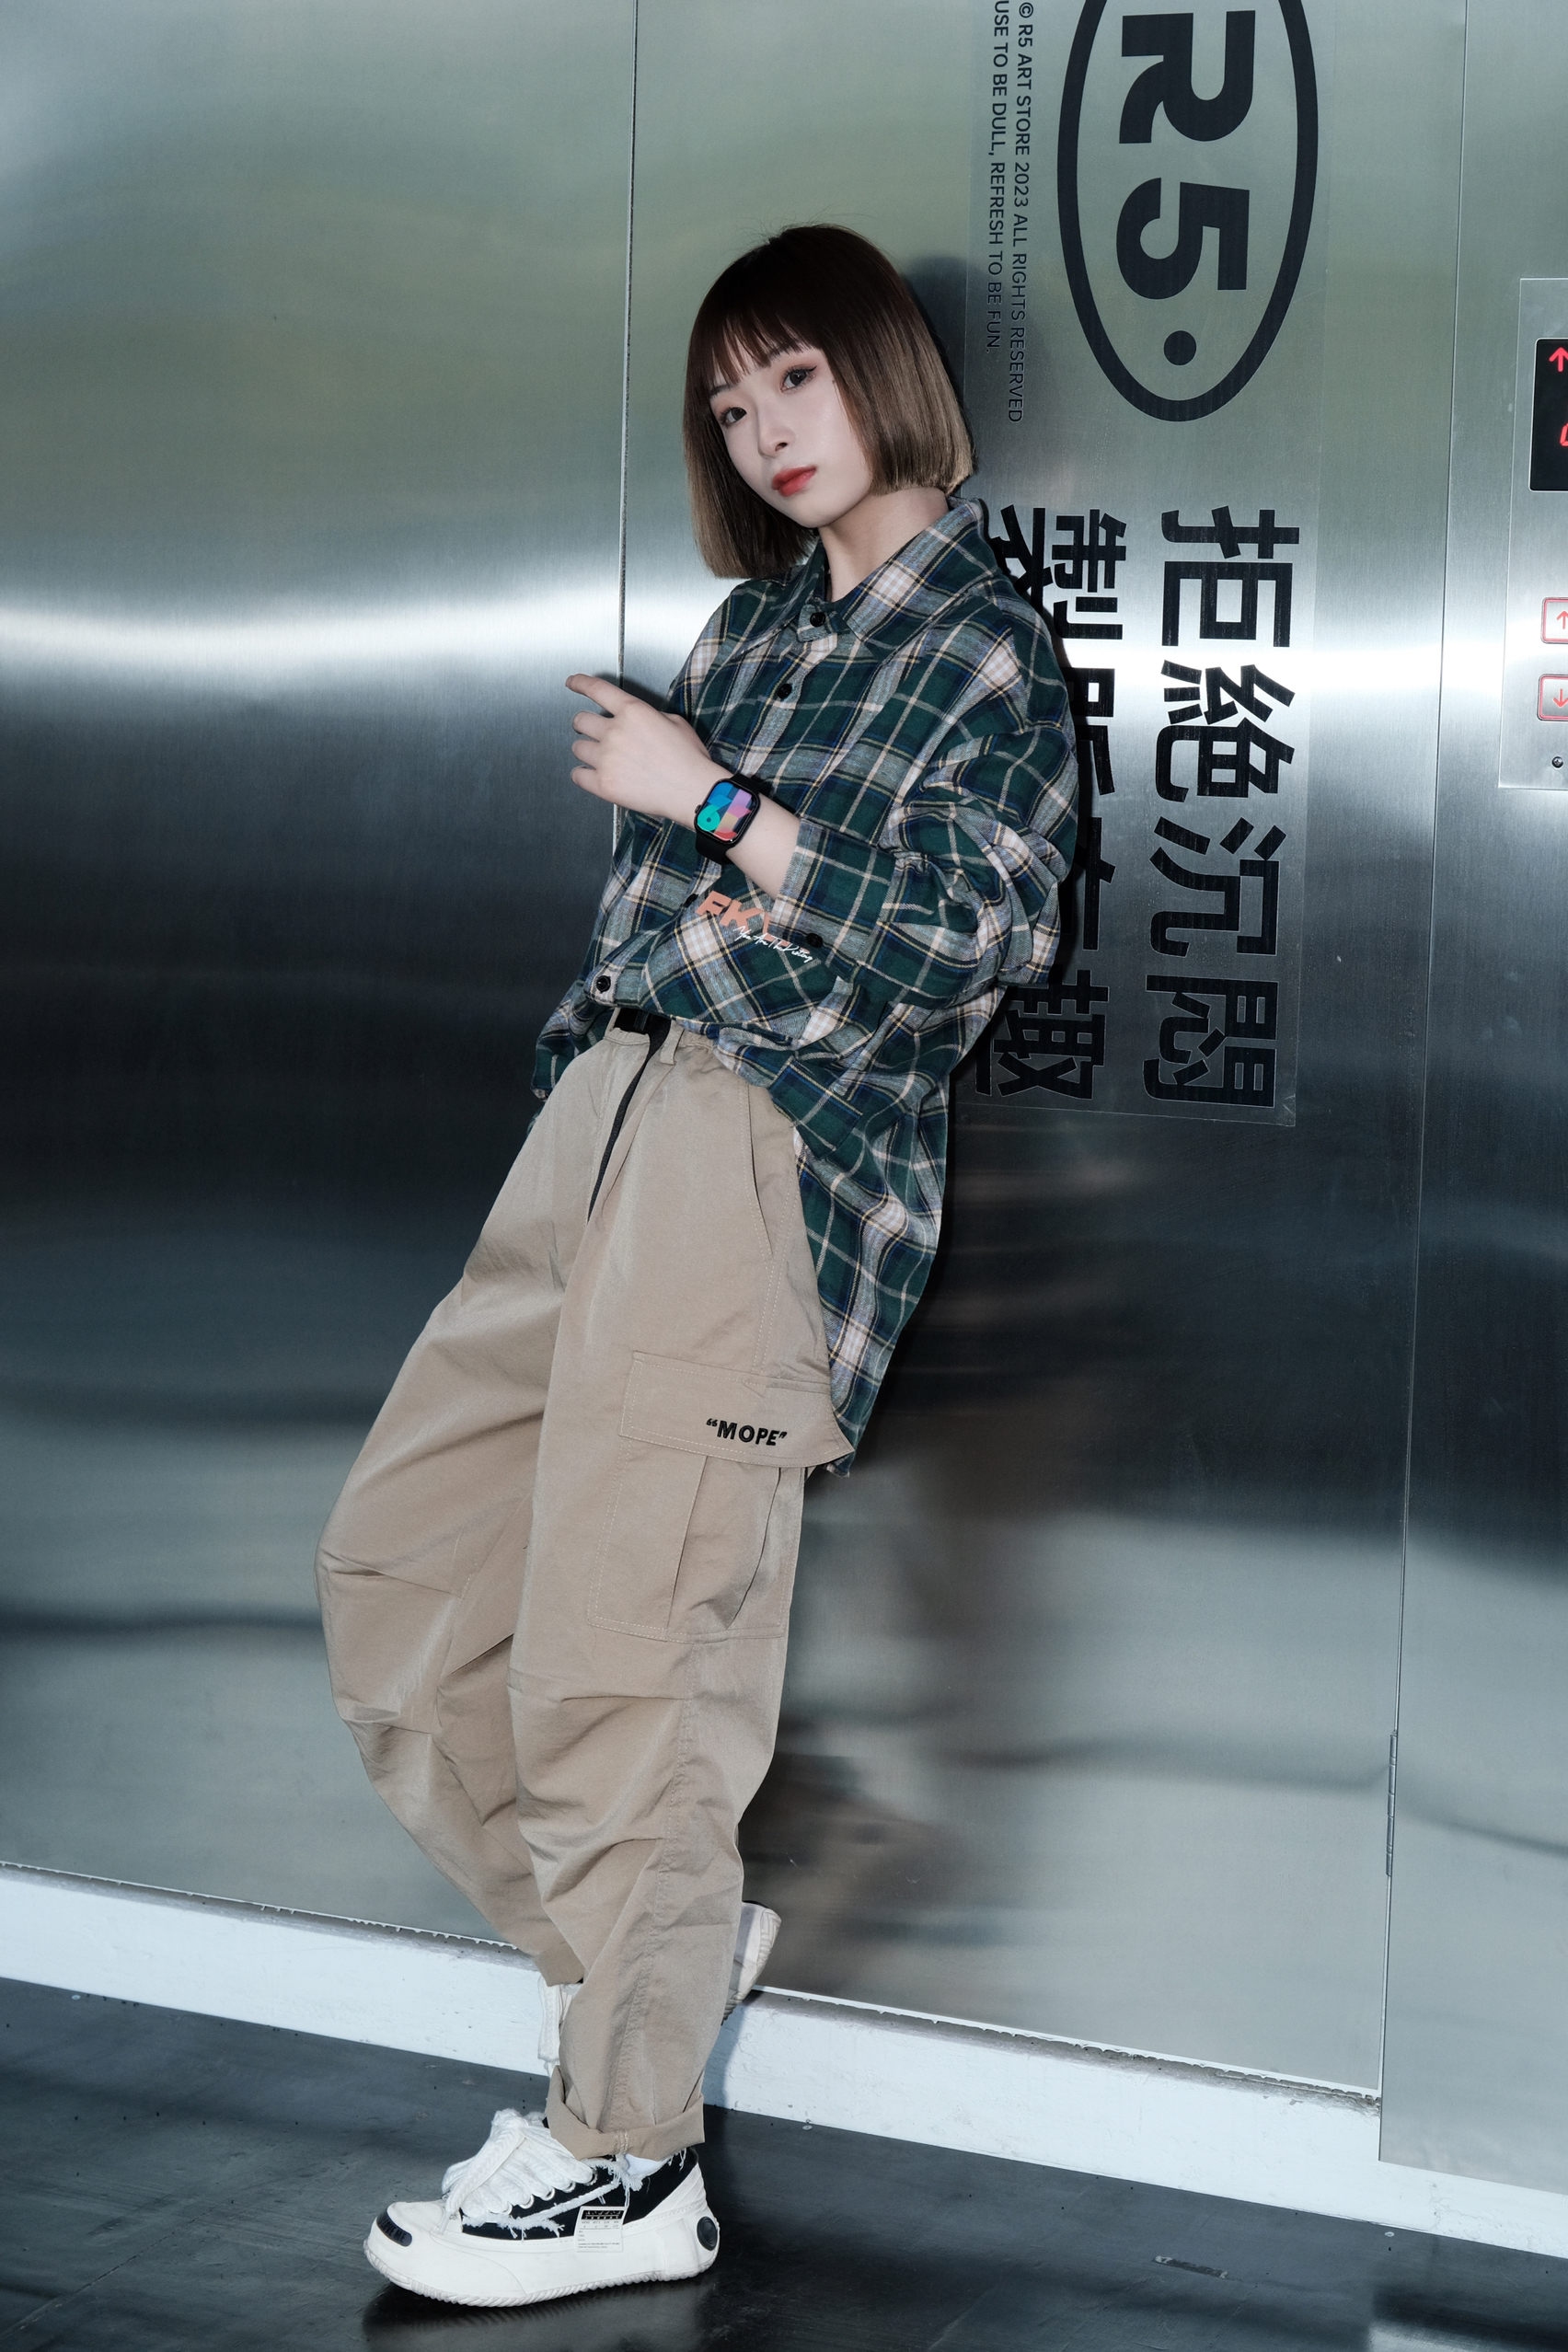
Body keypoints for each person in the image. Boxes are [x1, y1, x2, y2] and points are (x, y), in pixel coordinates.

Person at [316, 221, 1075, 2311]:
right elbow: (668, 917)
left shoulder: (983, 647)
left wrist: (731, 814)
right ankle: (653, 1953)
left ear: (882, 370)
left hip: (760, 1176)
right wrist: (686, 931)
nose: (764, 431)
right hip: (608, 1118)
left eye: (795, 379)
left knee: (623, 1673)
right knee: (399, 1587)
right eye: (732, 405)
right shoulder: (748, 630)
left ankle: (625, 2154)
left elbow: (972, 944)